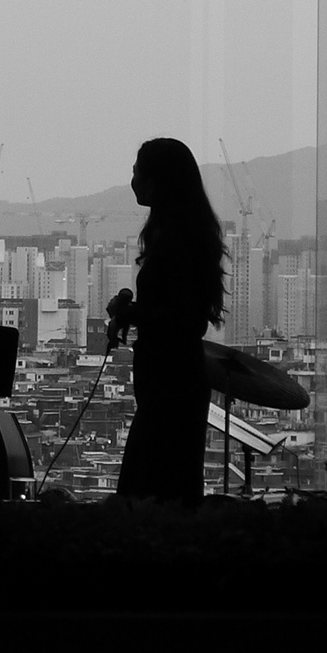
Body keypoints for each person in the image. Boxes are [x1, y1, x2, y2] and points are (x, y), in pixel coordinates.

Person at [105, 138, 226, 506]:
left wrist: (129, 313)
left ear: (157, 181)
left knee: (151, 491)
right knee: (170, 490)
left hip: (170, 384)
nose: (133, 181)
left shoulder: (174, 239)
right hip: (176, 380)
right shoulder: (185, 234)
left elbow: (179, 317)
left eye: (137, 173)